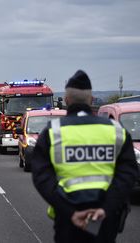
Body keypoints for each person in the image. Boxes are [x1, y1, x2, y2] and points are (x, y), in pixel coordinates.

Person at [31, 70, 139, 243]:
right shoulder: (116, 130)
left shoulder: (53, 132)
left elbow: (41, 176)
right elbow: (128, 173)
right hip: (105, 218)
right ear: (90, 100)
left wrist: (70, 211)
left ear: (67, 100)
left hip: (68, 219)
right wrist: (106, 208)